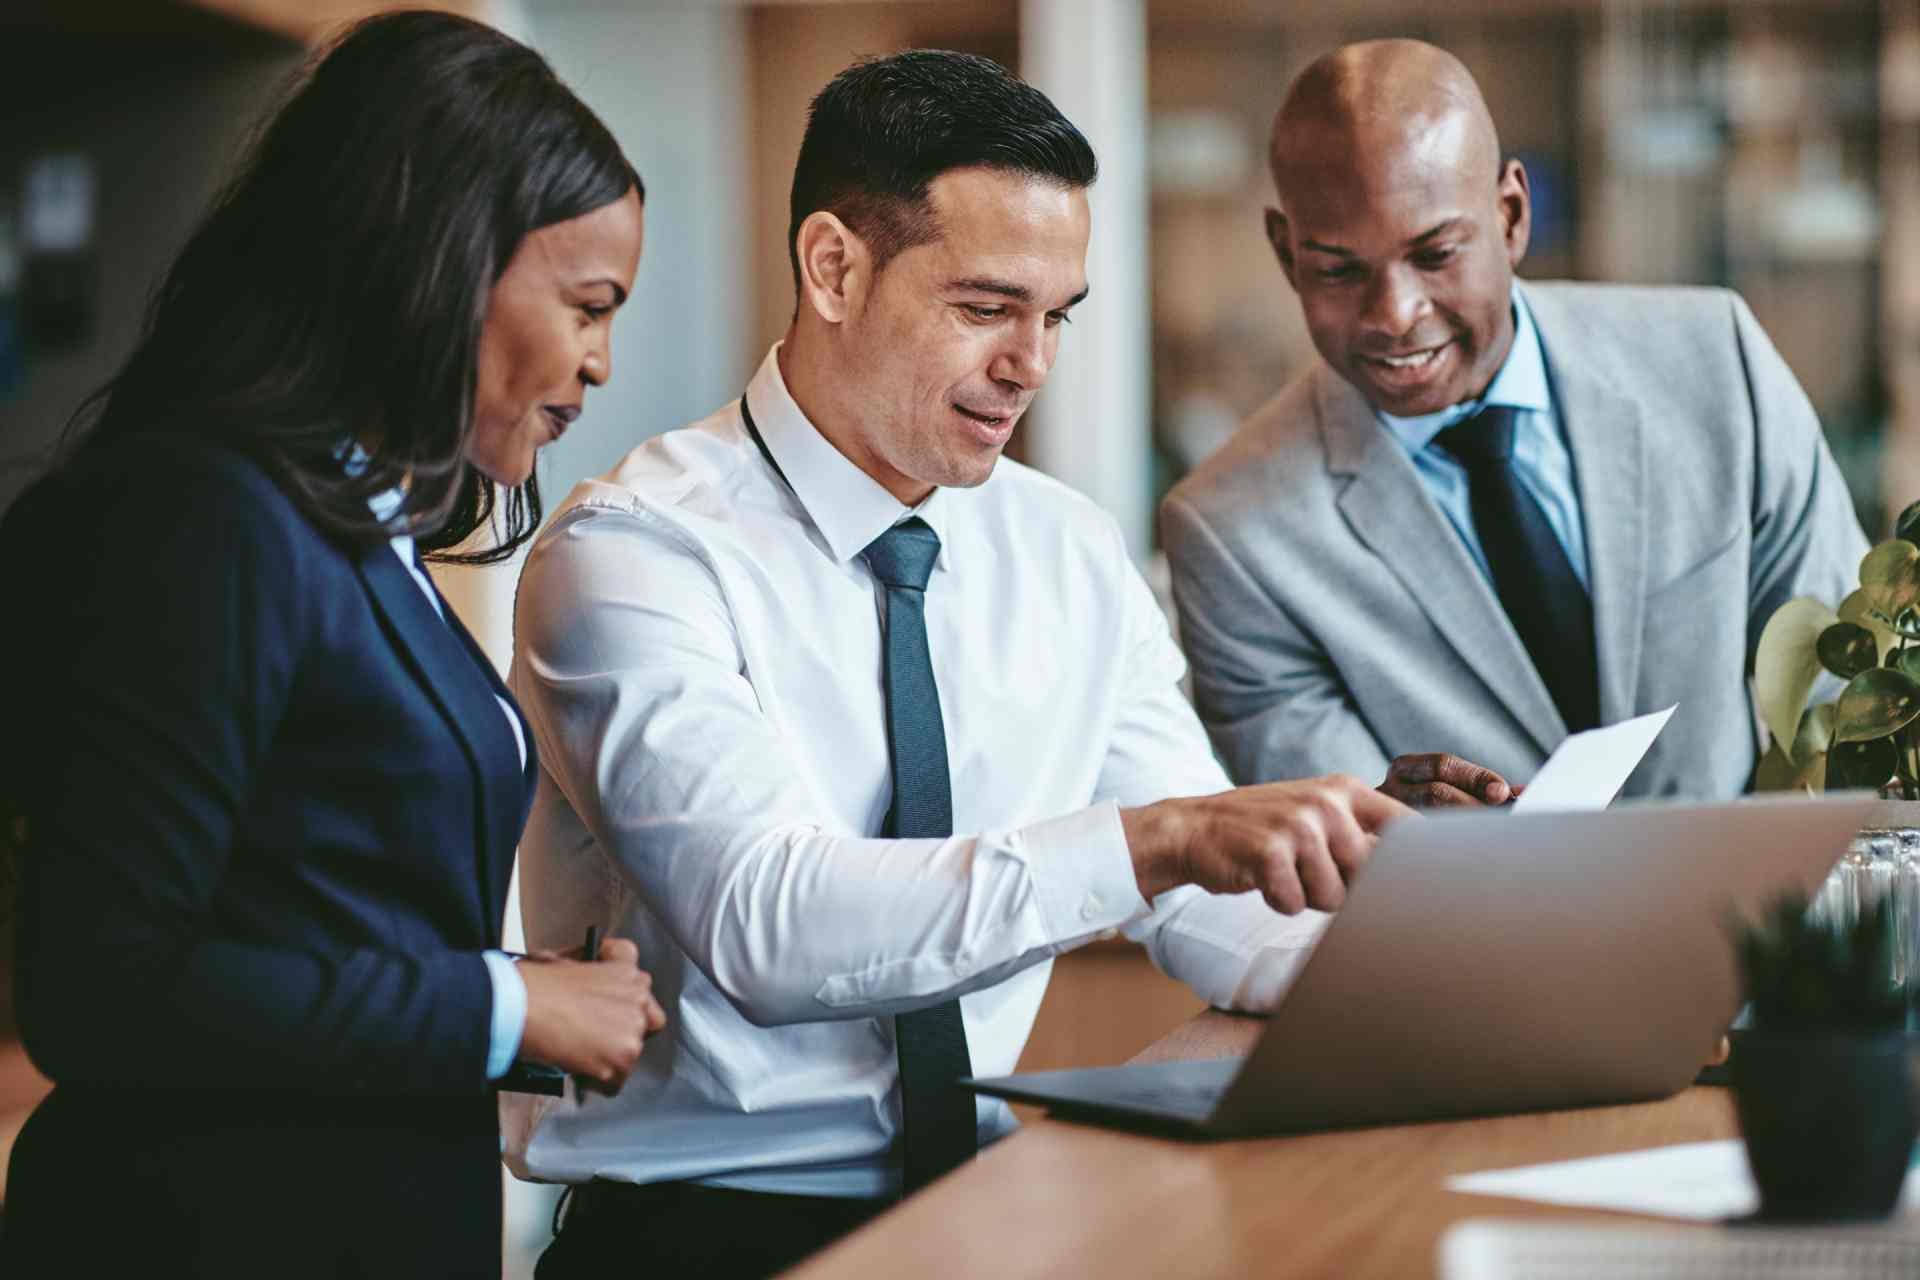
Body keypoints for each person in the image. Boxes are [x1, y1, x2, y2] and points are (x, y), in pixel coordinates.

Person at [503, 50, 1518, 1280]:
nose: (1033, 364)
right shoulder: (635, 555)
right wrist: (1158, 836)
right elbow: (766, 921)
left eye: (1057, 316)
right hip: (703, 1236)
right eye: (987, 308)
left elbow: (1206, 904)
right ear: (834, 266)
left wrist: (1439, 921)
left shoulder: (1067, 550)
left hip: (997, 1212)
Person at [0, 13, 664, 1276]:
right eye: (586, 305)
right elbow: (104, 988)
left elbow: (311, 903)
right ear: (439, 263)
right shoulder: (203, 512)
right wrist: (505, 1003)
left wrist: (526, 998)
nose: (598, 363)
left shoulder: (358, 527)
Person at [1161, 39, 1869, 805]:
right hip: (1470, 924)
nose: (1395, 315)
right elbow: (1339, 847)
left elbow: (1846, 709)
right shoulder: (1233, 534)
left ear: (1511, 215)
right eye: (1338, 269)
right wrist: (1401, 832)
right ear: (1285, 253)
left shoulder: (1713, 365)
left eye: (1435, 254)